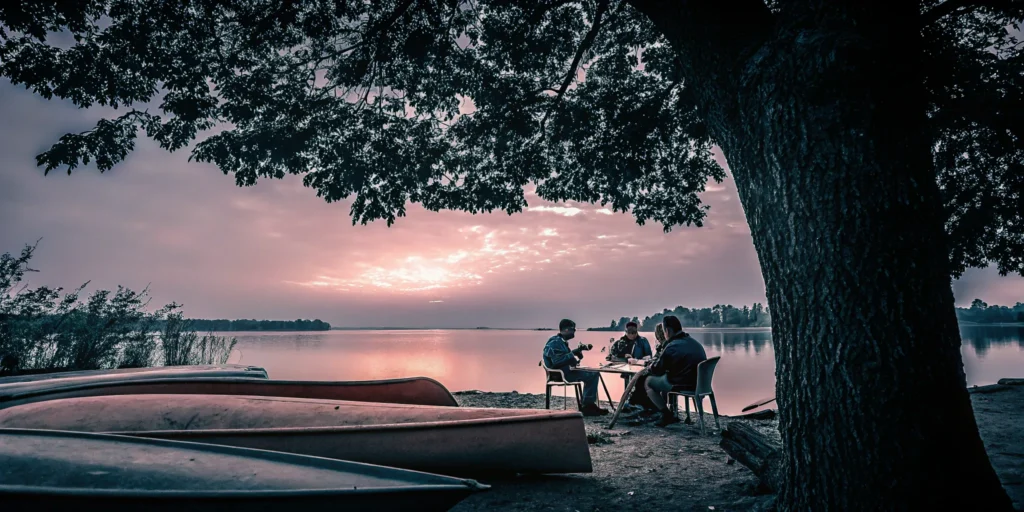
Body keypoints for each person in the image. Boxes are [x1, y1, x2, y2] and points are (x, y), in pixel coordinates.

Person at [644, 315, 708, 427]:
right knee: (666, 378)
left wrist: (649, 365)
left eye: (664, 331)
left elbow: (657, 370)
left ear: (667, 331)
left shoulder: (672, 346)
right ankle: (671, 410)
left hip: (685, 385)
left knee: (649, 382)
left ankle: (667, 414)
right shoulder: (695, 343)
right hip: (701, 385)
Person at [542, 319, 609, 416]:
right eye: (573, 329)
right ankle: (588, 406)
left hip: (564, 371)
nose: (574, 331)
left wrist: (575, 355)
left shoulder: (560, 341)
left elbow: (563, 358)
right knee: (593, 374)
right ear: (566, 330)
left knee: (592, 372)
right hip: (560, 374)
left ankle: (588, 404)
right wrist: (573, 354)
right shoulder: (555, 343)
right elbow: (556, 362)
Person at [609, 321, 656, 412]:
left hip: (640, 368)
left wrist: (638, 360)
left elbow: (649, 356)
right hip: (625, 368)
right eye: (629, 332)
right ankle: (627, 402)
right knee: (628, 385)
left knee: (638, 384)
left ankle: (637, 403)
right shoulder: (621, 342)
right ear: (626, 331)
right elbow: (612, 355)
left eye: (634, 332)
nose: (632, 334)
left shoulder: (642, 341)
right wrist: (623, 355)